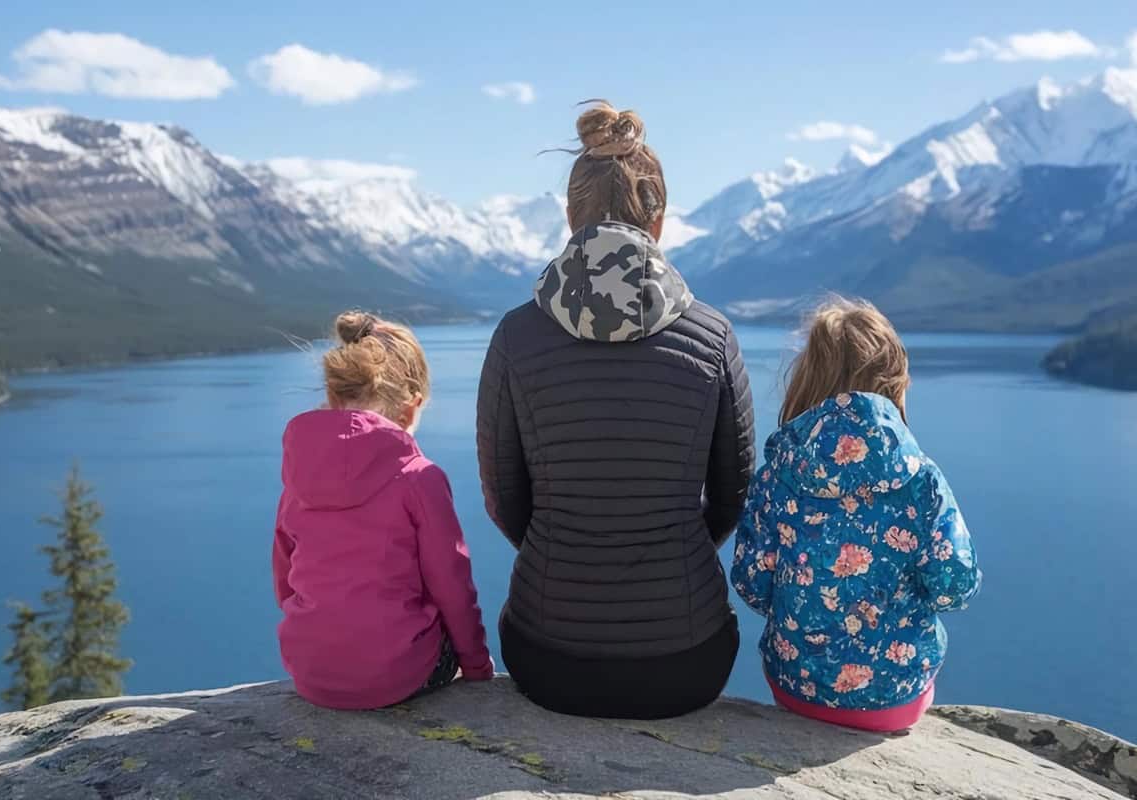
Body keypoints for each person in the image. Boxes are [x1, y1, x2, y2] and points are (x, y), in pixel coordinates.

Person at [476, 101, 755, 719]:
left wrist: (571, 543)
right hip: (689, 659)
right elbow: (734, 496)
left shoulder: (516, 337)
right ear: (658, 221)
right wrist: (666, 540)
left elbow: (505, 498)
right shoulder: (712, 338)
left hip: (546, 658)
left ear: (570, 217)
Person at [731, 298, 981, 732]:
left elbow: (752, 586)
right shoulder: (921, 479)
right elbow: (954, 587)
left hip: (795, 687)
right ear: (895, 383)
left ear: (806, 378)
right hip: (897, 696)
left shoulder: (778, 473)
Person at [273, 311, 493, 709]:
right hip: (396, 676)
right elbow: (452, 586)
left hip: (311, 675)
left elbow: (285, 577)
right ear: (411, 408)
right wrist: (477, 667)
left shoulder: (299, 472)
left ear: (334, 393)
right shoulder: (420, 477)